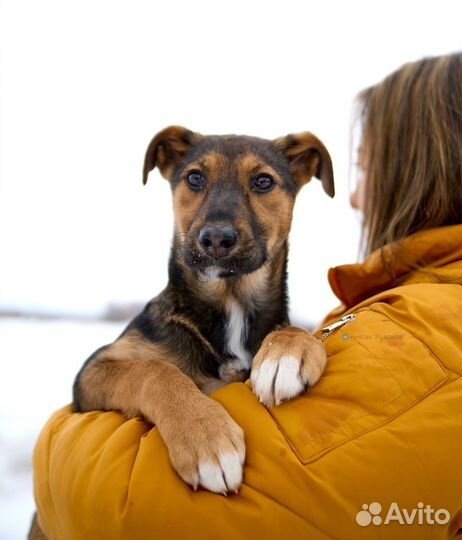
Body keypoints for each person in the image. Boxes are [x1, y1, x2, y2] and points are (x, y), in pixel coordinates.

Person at [31, 53, 462, 540]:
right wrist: (164, 391)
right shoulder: (162, 333)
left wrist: (296, 339)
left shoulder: (420, 327)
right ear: (168, 173)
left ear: (303, 178)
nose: (220, 224)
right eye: (196, 180)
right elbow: (96, 376)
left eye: (261, 184)